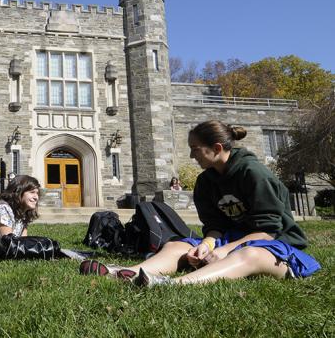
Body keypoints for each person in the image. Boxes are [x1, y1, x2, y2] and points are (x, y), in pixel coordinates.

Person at [80, 120, 321, 286]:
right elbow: (214, 225)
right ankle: (127, 273)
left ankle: (171, 285)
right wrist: (207, 244)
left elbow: (268, 231)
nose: (192, 155)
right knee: (176, 246)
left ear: (216, 148)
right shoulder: (205, 182)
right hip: (230, 240)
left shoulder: (253, 173)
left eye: (195, 149)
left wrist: (224, 250)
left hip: (275, 246)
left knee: (249, 253)